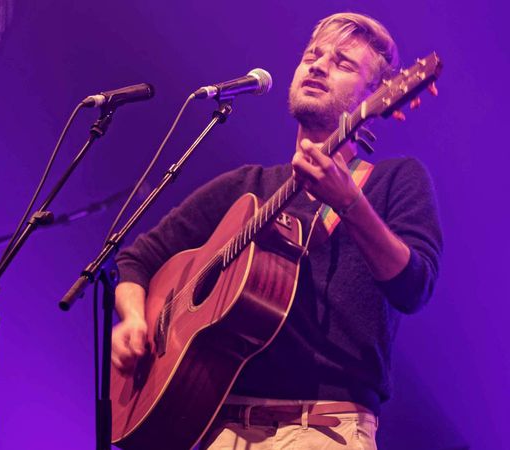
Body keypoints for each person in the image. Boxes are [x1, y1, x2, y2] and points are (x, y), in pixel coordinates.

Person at [111, 12, 442, 450]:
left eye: (342, 63)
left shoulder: (394, 180)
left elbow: (414, 287)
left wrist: (350, 203)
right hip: (211, 425)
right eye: (312, 56)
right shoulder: (246, 187)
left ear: (378, 94)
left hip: (323, 428)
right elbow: (137, 259)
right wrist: (134, 318)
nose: (318, 66)